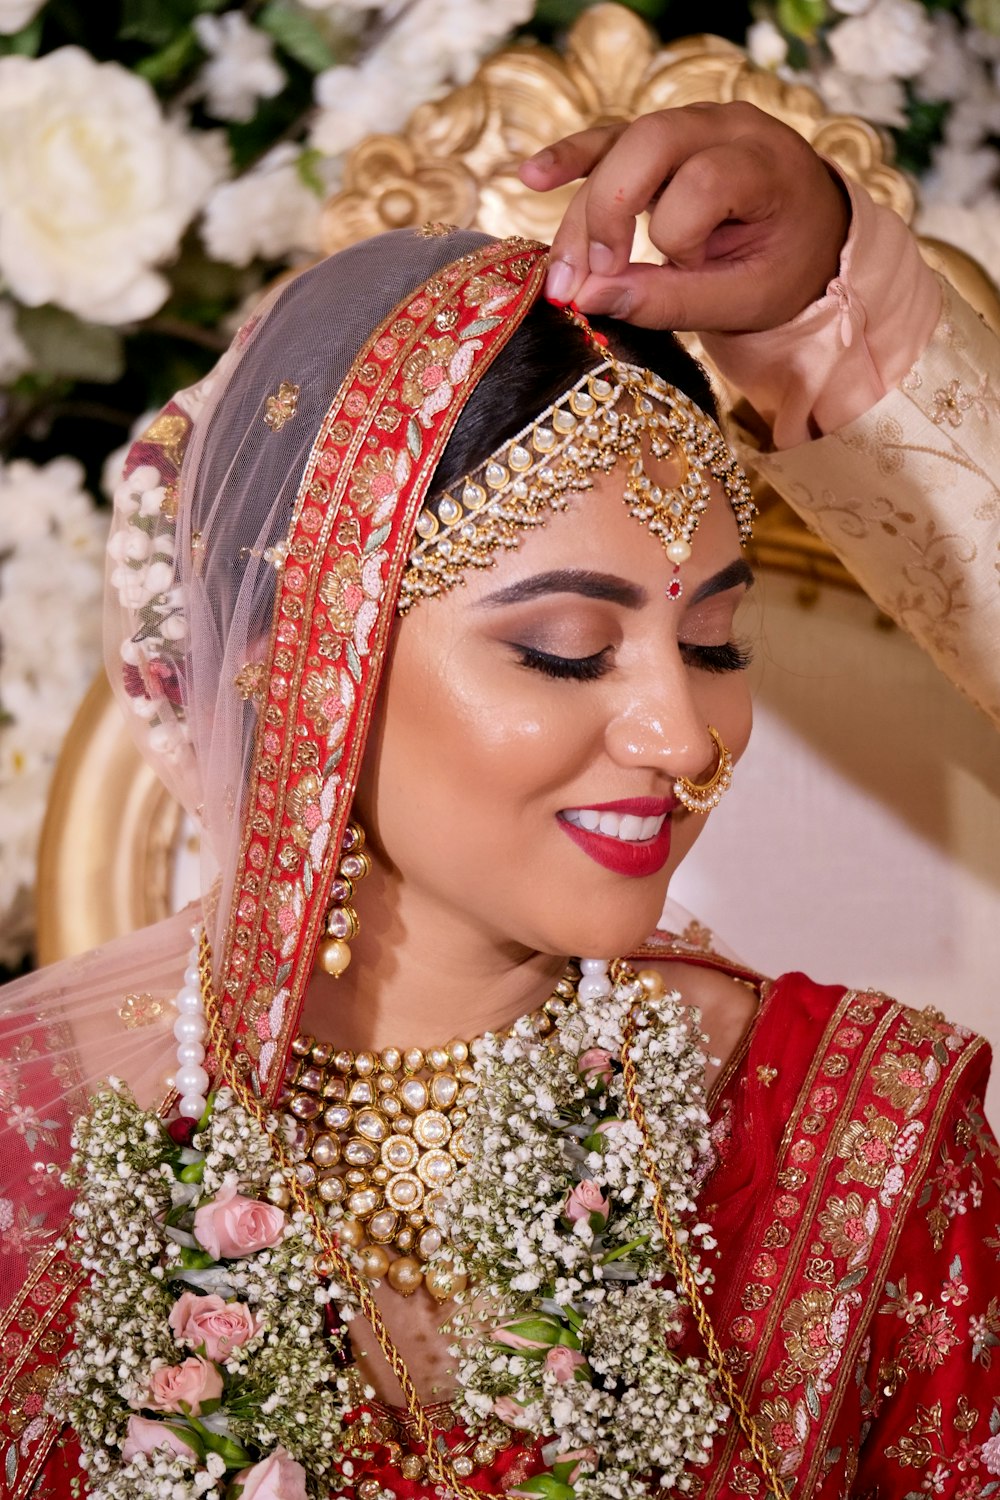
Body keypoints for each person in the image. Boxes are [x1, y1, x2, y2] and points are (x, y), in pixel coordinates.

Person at [0, 104, 998, 1500]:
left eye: (715, 645)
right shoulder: (31, 1158)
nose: (681, 733)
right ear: (309, 679)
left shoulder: (854, 1140)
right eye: (567, 652)